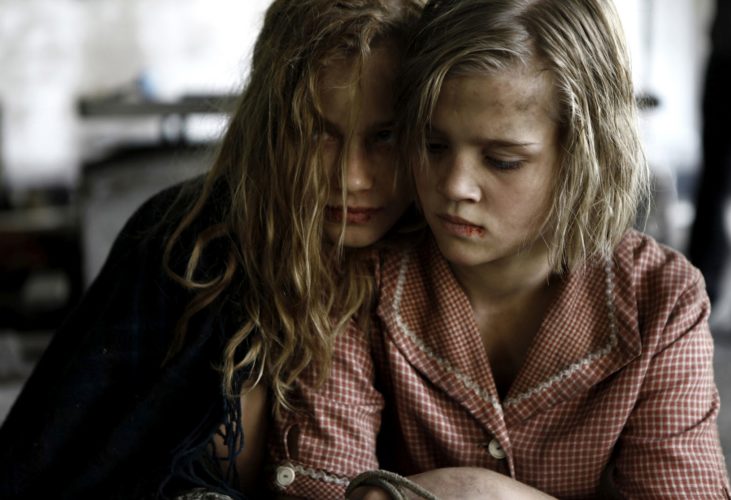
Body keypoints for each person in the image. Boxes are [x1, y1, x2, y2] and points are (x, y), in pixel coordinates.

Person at [268, 0, 731, 498]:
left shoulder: (660, 300)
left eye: (502, 160)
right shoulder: (357, 279)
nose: (455, 186)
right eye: (434, 146)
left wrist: (477, 491)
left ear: (586, 153)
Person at [0, 0, 421, 498]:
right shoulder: (188, 242)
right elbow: (56, 462)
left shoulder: (444, 261)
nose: (352, 178)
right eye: (316, 132)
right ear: (269, 125)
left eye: (385, 136)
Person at [687, 0, 731, 338]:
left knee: (714, 179)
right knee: (714, 180)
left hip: (728, 48)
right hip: (728, 48)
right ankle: (697, 299)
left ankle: (698, 299)